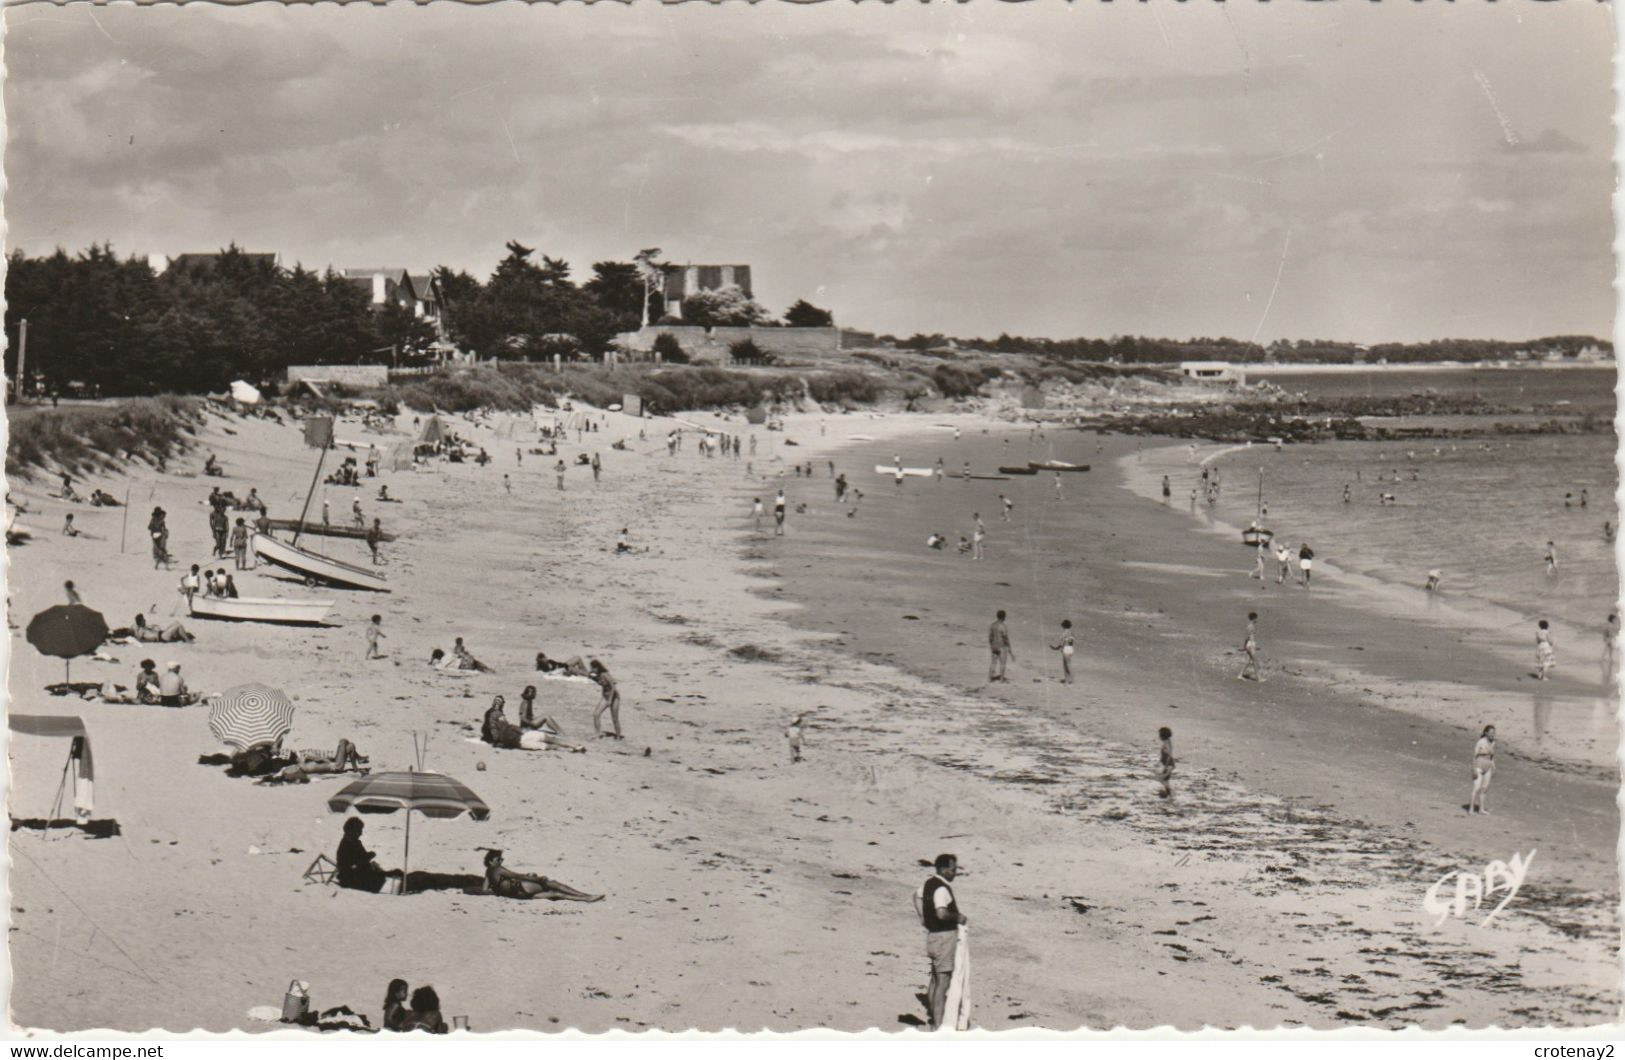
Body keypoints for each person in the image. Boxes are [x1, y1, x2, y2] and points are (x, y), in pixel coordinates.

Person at [914, 853, 967, 1031]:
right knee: (942, 981)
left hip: (933, 936)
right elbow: (941, 913)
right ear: (944, 870)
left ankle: (933, 1015)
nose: (955, 873)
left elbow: (916, 896)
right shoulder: (942, 889)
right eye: (953, 869)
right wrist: (958, 917)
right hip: (945, 937)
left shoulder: (929, 883)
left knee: (935, 978)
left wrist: (922, 917)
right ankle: (937, 1025)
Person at [483, 850, 603, 902]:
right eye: (498, 859)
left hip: (519, 896)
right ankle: (586, 896)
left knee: (556, 894)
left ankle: (586, 898)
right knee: (553, 884)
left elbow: (484, 890)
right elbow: (518, 875)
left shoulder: (488, 872)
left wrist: (499, 891)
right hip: (522, 888)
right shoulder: (497, 869)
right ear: (491, 861)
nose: (501, 861)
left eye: (501, 859)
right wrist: (538, 878)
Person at [337, 817, 398, 894]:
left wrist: (369, 856)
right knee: (382, 878)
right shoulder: (347, 845)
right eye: (359, 831)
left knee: (386, 874)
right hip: (352, 879)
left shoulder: (354, 842)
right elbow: (355, 863)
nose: (361, 833)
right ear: (353, 831)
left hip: (358, 875)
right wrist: (369, 856)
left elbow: (361, 857)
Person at [589, 660, 622, 739]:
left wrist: (610, 700)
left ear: (597, 668)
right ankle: (598, 733)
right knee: (596, 714)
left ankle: (618, 736)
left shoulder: (605, 674)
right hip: (605, 696)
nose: (592, 669)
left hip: (614, 697)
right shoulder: (598, 676)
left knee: (614, 718)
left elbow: (613, 687)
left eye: (593, 668)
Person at [1469, 725, 1496, 814]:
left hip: (1488, 766)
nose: (1493, 734)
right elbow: (1474, 756)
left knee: (1484, 789)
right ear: (1486, 733)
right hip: (1479, 765)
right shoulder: (1480, 742)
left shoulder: (1493, 743)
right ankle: (1471, 809)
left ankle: (1481, 809)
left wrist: (1493, 766)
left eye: (1494, 733)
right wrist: (1473, 769)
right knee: (1476, 788)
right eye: (1491, 733)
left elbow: (1492, 756)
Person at [988, 610, 1013, 682]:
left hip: (994, 645)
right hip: (1001, 646)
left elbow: (990, 637)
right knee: (1002, 663)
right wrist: (1009, 647)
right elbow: (1005, 638)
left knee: (993, 662)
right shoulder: (1003, 626)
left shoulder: (992, 625)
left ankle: (990, 678)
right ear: (1004, 617)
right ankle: (1001, 679)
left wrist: (991, 645)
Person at [1237, 612, 1262, 682]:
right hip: (1251, 644)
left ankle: (1240, 675)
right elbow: (1250, 637)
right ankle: (1259, 678)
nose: (1257, 619)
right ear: (1254, 618)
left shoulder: (1248, 626)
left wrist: (1244, 646)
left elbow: (1246, 637)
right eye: (1256, 618)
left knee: (1247, 661)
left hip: (1249, 644)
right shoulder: (1251, 626)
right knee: (1255, 662)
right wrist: (1252, 647)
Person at [1049, 619, 1076, 683]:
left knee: (1066, 665)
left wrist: (1056, 648)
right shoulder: (1071, 632)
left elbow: (1062, 643)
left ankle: (1070, 679)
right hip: (1070, 648)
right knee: (1067, 664)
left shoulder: (1064, 633)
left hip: (1066, 649)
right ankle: (1068, 679)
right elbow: (1072, 641)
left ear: (1063, 626)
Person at [1157, 727, 1175, 799]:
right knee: (1165, 780)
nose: (1159, 736)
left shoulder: (1167, 743)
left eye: (1160, 734)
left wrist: (1166, 766)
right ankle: (1169, 794)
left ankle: (1170, 794)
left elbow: (1169, 755)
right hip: (1168, 764)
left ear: (1163, 735)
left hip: (1169, 765)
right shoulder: (1166, 742)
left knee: (1163, 779)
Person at [1604, 612, 1621, 687]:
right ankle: (1609, 659)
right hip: (1609, 639)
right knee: (1610, 649)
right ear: (1612, 620)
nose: (1615, 620)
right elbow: (1609, 632)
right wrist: (1613, 636)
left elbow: (1606, 631)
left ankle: (1606, 658)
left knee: (1609, 649)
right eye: (1614, 619)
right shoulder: (1610, 625)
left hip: (1608, 638)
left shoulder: (1609, 624)